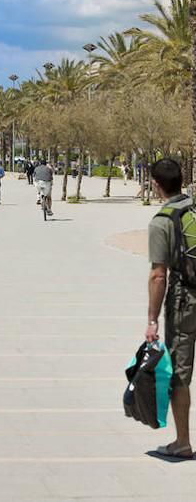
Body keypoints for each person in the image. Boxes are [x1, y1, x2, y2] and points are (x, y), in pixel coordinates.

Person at [145, 158, 196, 459]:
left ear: (155, 184)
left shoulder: (161, 222)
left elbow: (158, 275)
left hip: (183, 303)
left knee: (180, 374)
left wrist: (152, 319)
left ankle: (183, 442)